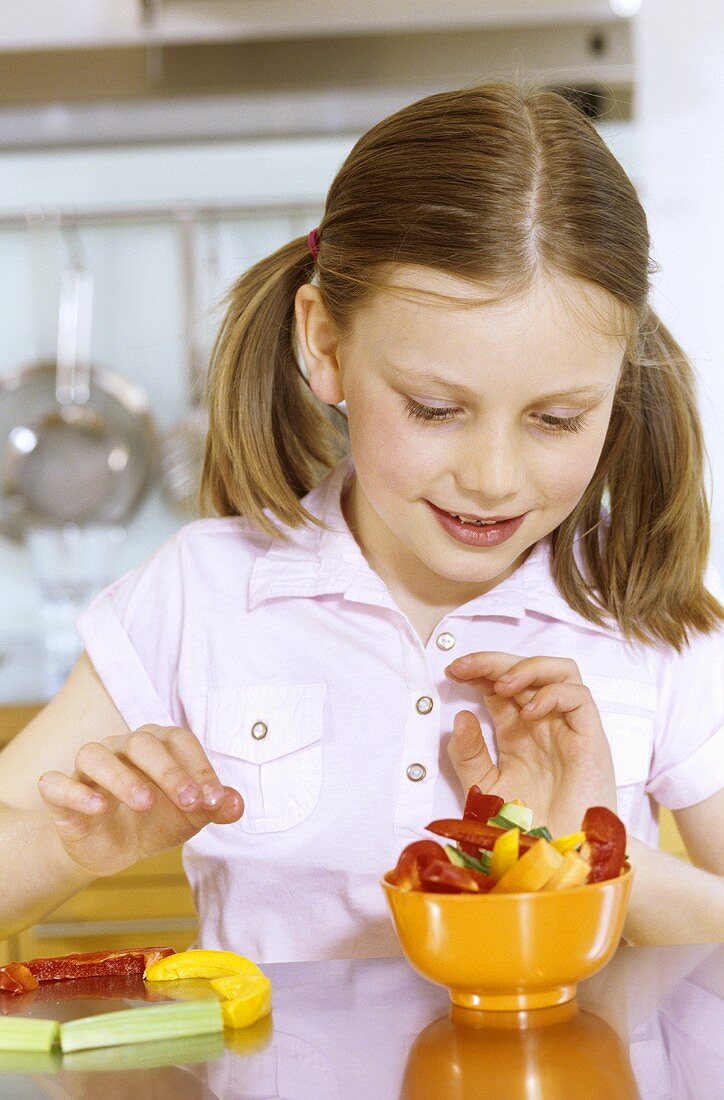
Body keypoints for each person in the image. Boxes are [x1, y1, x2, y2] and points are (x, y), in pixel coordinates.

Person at [0, 83, 722, 961]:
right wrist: (61, 849)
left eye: (558, 420)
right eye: (432, 409)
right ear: (326, 345)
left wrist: (592, 854)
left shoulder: (645, 615)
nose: (492, 479)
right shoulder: (202, 593)